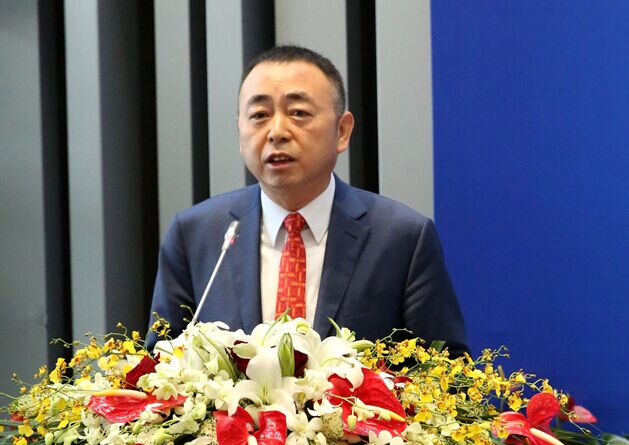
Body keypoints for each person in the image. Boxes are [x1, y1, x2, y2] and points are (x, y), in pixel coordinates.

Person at [147, 45, 468, 357]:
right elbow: (159, 368)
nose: (277, 132)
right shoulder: (195, 235)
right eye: (259, 115)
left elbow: (446, 368)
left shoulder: (402, 239)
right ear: (240, 132)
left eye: (298, 113)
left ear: (342, 131)